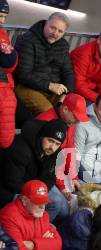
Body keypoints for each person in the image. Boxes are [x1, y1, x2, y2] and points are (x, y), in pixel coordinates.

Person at [36, 93, 89, 221]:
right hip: (40, 173)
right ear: (65, 109)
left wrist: (73, 177)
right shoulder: (46, 121)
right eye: (76, 117)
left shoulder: (70, 122)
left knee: (85, 191)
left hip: (55, 171)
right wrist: (62, 186)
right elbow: (48, 161)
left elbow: (69, 150)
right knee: (62, 207)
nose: (77, 121)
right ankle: (40, 229)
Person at [0, 119, 67, 213]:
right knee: (51, 204)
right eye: (50, 141)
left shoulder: (55, 153)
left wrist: (41, 192)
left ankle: (40, 225)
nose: (53, 147)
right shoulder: (21, 149)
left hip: (34, 186)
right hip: (9, 189)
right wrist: (37, 195)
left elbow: (51, 178)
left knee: (63, 209)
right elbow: (12, 182)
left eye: (57, 144)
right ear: (41, 137)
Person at [14, 12, 74, 115]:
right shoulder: (28, 40)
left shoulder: (63, 45)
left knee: (71, 111)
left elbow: (68, 72)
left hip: (53, 89)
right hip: (27, 87)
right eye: (52, 28)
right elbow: (23, 74)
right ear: (46, 23)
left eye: (60, 31)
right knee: (50, 113)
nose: (55, 33)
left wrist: (67, 93)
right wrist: (49, 85)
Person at [70, 27, 101, 105]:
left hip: (91, 93)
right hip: (75, 92)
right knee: (99, 109)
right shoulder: (83, 53)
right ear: (99, 40)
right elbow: (77, 84)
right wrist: (99, 99)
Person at [75, 93, 101, 185]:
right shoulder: (82, 125)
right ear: (94, 107)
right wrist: (92, 183)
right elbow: (75, 160)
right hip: (79, 177)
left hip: (99, 177)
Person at [0, 0, 18, 149]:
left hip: (7, 85)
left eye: (4, 16)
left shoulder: (2, 34)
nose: (2, 20)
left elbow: (10, 64)